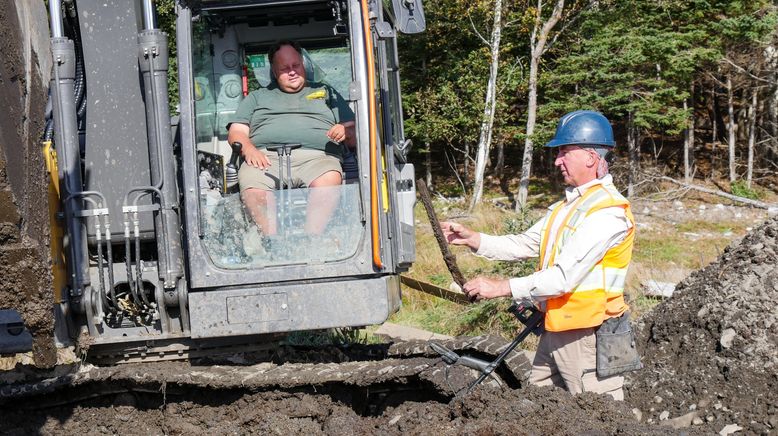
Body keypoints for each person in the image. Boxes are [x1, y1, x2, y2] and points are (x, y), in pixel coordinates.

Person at [442, 110, 641, 401]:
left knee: (601, 417)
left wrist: (501, 287)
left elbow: (563, 277)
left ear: (590, 156)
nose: (557, 160)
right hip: (556, 328)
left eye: (564, 151)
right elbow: (525, 243)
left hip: (589, 335)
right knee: (539, 410)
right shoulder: (568, 207)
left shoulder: (607, 212)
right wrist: (474, 239)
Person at [227, 40, 355, 236]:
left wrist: (345, 131)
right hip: (264, 161)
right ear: (274, 71)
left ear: (303, 64)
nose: (292, 71)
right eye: (285, 68)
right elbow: (236, 132)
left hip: (319, 159)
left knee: (328, 181)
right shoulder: (256, 97)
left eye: (296, 65)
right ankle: (273, 246)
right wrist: (249, 149)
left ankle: (311, 241)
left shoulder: (327, 92)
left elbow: (355, 134)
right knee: (254, 190)